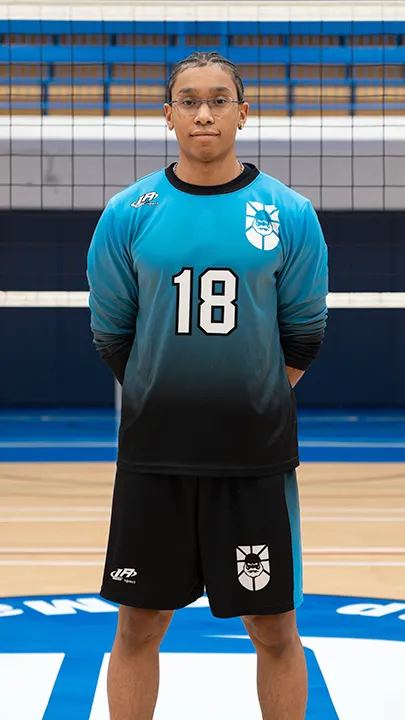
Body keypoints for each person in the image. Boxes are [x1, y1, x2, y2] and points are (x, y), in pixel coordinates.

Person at [87, 51, 328, 720]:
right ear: (166, 115)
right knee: (137, 626)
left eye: (219, 99)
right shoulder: (127, 214)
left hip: (252, 459)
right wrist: (167, 392)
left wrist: (244, 399)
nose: (203, 112)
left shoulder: (288, 213)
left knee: (274, 629)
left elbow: (303, 334)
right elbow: (112, 334)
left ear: (242, 113)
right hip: (154, 458)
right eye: (188, 99)